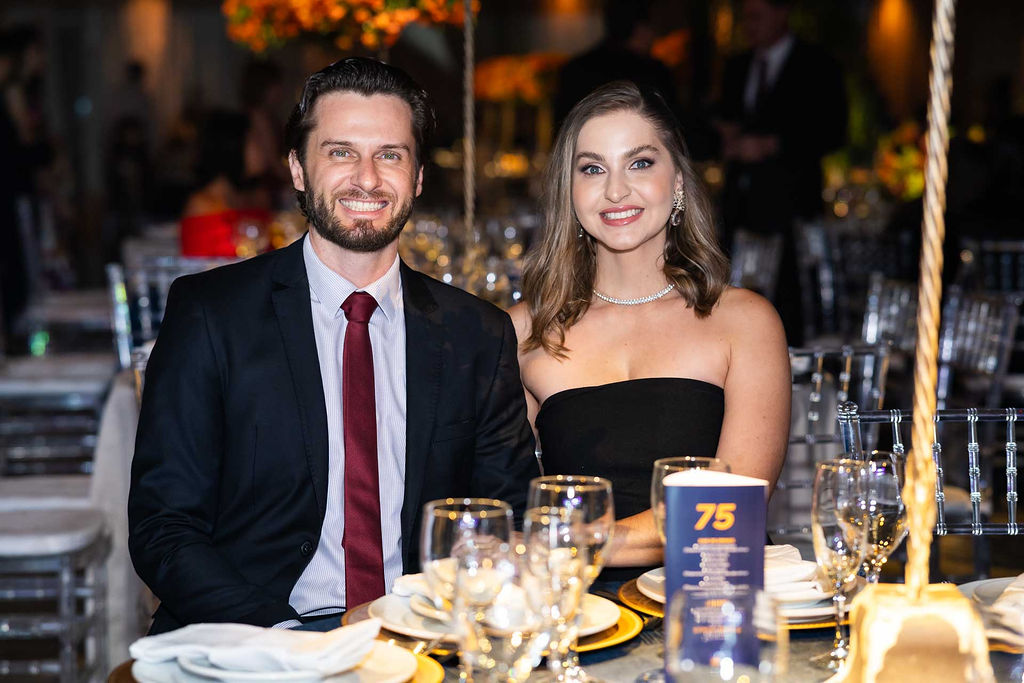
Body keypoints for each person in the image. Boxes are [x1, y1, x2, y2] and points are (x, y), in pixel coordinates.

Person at [129, 57, 539, 634]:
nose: (366, 179)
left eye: (390, 155)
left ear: (419, 177)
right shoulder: (211, 315)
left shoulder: (477, 334)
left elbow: (507, 517)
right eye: (341, 152)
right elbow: (163, 528)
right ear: (298, 168)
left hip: (420, 634)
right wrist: (289, 641)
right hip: (256, 636)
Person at [509, 81, 790, 579]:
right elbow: (498, 494)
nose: (616, 190)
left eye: (639, 163)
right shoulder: (526, 329)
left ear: (677, 181)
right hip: (577, 604)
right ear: (569, 193)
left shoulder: (744, 321)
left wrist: (567, 541)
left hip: (712, 594)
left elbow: (730, 510)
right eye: (592, 169)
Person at [716, 0, 847, 345]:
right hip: (739, 204)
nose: (749, 24)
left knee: (786, 303)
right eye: (746, 16)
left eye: (757, 16)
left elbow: (833, 131)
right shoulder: (737, 66)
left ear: (781, 13)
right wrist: (725, 137)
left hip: (790, 205)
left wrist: (773, 145)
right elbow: (722, 118)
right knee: (733, 292)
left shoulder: (816, 64)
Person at [553, 0, 680, 129]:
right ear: (640, 28)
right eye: (653, 27)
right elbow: (675, 128)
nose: (655, 36)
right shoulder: (655, 73)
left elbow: (561, 130)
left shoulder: (575, 69)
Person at [179, 110, 270, 257]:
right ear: (233, 147)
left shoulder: (257, 197)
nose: (265, 148)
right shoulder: (201, 206)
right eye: (256, 140)